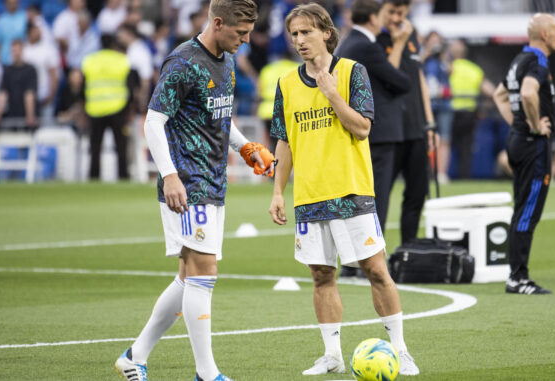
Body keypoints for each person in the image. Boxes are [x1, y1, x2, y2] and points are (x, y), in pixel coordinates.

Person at [113, 1, 275, 380]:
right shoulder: (182, 62)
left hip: (214, 182)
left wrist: (244, 147)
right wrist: (169, 176)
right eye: (240, 33)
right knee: (204, 273)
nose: (246, 40)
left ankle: (134, 356)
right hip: (187, 184)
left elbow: (218, 116)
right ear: (217, 23)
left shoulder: (227, 60)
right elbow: (153, 122)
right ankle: (207, 373)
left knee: (189, 277)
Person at [268, 3, 419, 376]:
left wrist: (332, 94)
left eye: (306, 32)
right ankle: (332, 354)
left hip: (351, 191)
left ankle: (400, 349)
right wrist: (277, 192)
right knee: (321, 274)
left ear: (326, 33)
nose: (299, 40)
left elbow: (363, 128)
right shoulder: (286, 83)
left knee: (376, 270)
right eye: (294, 34)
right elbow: (284, 142)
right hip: (309, 194)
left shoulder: (353, 72)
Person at [334, 0, 411, 278]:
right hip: (378, 133)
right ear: (374, 17)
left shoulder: (347, 42)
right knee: (376, 199)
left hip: (358, 131)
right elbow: (402, 81)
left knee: (357, 198)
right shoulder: (366, 45)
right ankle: (370, 262)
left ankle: (353, 262)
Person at [492, 13, 555, 295]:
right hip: (533, 144)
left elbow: (499, 94)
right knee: (528, 211)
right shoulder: (537, 60)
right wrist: (533, 125)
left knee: (522, 207)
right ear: (544, 35)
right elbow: (529, 92)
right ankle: (518, 277)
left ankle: (516, 274)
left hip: (518, 140)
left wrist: (518, 124)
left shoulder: (519, 59)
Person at [375, 0, 435, 244]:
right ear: (379, 11)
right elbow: (390, 77)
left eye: (401, 13)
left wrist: (430, 123)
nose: (396, 18)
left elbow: (418, 77)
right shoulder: (376, 41)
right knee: (379, 197)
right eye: (391, 12)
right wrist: (398, 42)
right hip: (391, 131)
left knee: (417, 194)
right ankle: (366, 256)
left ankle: (407, 252)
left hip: (416, 128)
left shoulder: (411, 36)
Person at [81, 34, 133, 180]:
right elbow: (130, 87)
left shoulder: (89, 61)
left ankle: (93, 176)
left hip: (94, 108)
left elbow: (83, 88)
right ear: (113, 44)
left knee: (95, 147)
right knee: (120, 146)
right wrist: (129, 110)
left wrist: (82, 109)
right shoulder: (122, 60)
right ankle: (123, 176)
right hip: (118, 108)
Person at [448, 39, 495, 178]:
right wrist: (483, 111)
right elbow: (492, 92)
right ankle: (463, 177)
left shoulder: (447, 68)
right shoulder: (474, 69)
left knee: (445, 145)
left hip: (449, 113)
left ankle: (442, 175)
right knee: (465, 148)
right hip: (469, 113)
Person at [422, 31, 453, 184]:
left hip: (444, 103)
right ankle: (426, 171)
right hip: (427, 103)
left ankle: (441, 173)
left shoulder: (444, 57)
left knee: (444, 139)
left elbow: (450, 70)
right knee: (426, 138)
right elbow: (415, 67)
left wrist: (443, 56)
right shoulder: (423, 56)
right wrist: (427, 53)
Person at [0, 39, 38, 128]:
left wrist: (30, 116)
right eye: (13, 51)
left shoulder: (30, 70)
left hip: (26, 114)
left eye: (18, 50)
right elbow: (3, 94)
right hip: (12, 113)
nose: (16, 53)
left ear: (22, 50)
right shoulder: (7, 70)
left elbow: (29, 94)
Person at [23, 22, 59, 119]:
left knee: (46, 126)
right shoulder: (24, 50)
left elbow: (54, 74)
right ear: (28, 34)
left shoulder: (49, 49)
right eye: (35, 32)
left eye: (39, 31)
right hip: (27, 95)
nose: (39, 34)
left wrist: (51, 94)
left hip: (44, 94)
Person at [0, 0, 27, 65]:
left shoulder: (25, 17)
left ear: (18, 3)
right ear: (5, 4)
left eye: (14, 3)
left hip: (21, 60)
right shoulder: (1, 20)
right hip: (4, 60)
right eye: (10, 3)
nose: (12, 5)